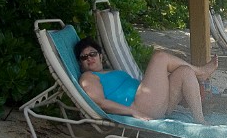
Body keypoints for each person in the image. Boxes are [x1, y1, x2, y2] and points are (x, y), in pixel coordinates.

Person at [74, 37, 217, 124]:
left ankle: (200, 119)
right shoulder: (88, 77)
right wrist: (133, 111)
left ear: (100, 56)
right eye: (84, 57)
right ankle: (201, 72)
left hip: (155, 103)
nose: (89, 58)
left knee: (184, 71)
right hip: (140, 107)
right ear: (80, 63)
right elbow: (100, 102)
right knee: (159, 57)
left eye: (92, 54)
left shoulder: (110, 72)